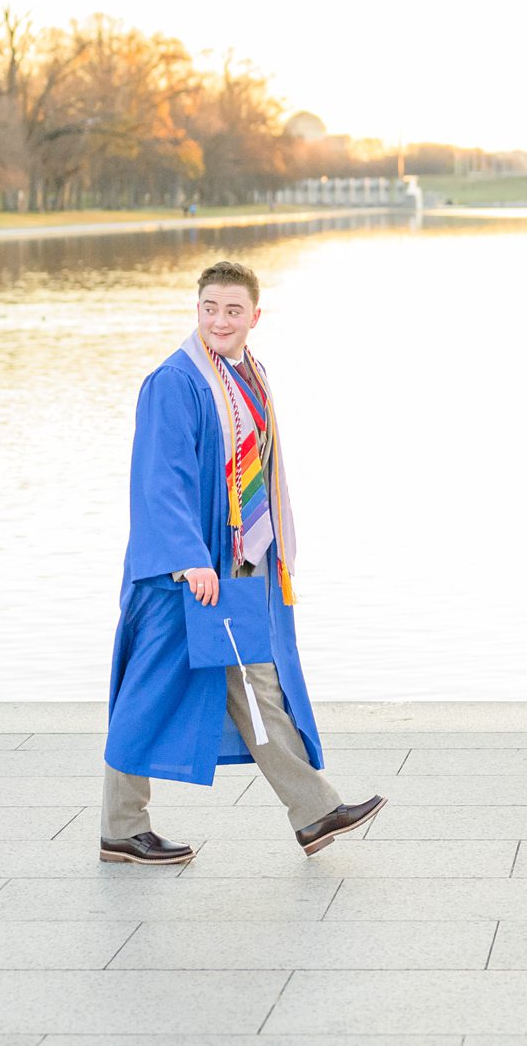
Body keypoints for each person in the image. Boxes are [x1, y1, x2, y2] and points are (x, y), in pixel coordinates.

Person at [99, 258, 384, 866]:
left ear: (256, 316)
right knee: (149, 693)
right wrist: (186, 558)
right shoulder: (176, 382)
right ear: (196, 310)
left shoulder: (246, 375)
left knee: (257, 686)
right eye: (210, 308)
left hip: (236, 566)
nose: (220, 320)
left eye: (233, 310)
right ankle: (123, 828)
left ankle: (313, 812)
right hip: (184, 575)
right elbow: (161, 479)